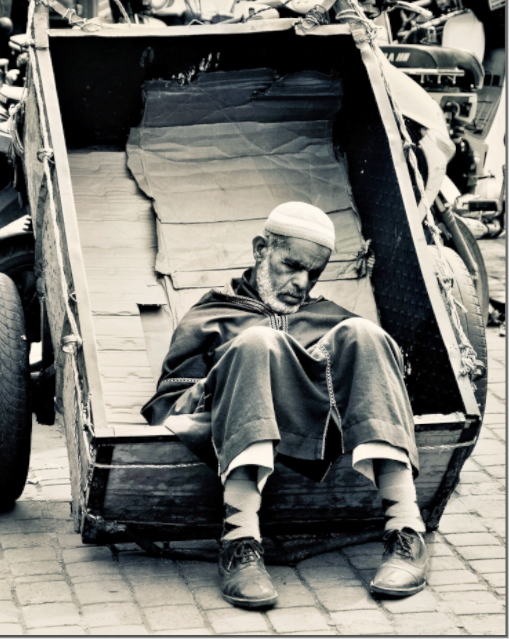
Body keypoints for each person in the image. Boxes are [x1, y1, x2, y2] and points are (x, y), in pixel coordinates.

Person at [142, 202, 429, 610]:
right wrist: (234, 372)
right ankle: (239, 540)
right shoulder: (211, 316)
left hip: (321, 428)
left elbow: (376, 387)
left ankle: (406, 532)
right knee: (258, 343)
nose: (301, 283)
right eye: (291, 265)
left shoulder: (329, 317)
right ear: (261, 249)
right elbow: (169, 406)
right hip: (229, 425)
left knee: (366, 333)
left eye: (313, 273)